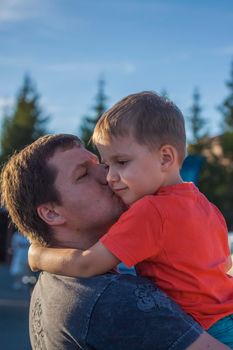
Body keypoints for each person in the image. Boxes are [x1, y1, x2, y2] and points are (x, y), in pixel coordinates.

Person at [28, 92, 233, 347]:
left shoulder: (150, 211)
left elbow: (87, 264)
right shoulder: (205, 205)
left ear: (165, 158)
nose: (110, 177)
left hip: (207, 329)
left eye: (121, 162)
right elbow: (223, 266)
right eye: (107, 164)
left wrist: (38, 256)